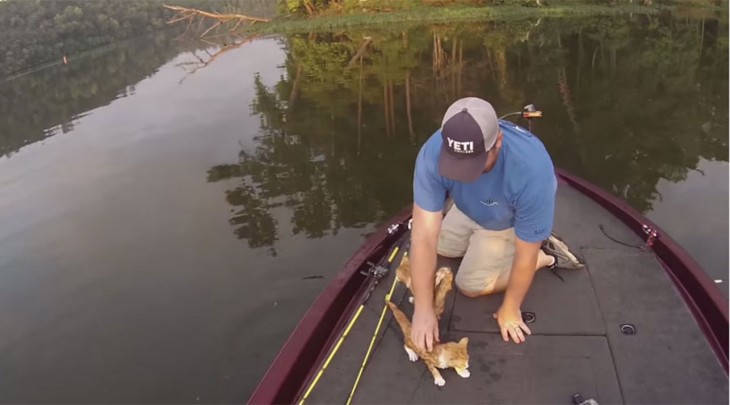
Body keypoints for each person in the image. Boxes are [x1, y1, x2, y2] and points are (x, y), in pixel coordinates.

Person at [409, 97, 583, 351]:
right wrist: (422, 310)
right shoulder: (432, 152)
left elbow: (524, 254)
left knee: (470, 285)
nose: (465, 175)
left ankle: (546, 255)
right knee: (439, 247)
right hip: (470, 208)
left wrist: (510, 309)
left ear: (497, 143)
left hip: (505, 221)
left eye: (474, 165)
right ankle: (479, 242)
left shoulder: (532, 171)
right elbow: (423, 236)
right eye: (456, 165)